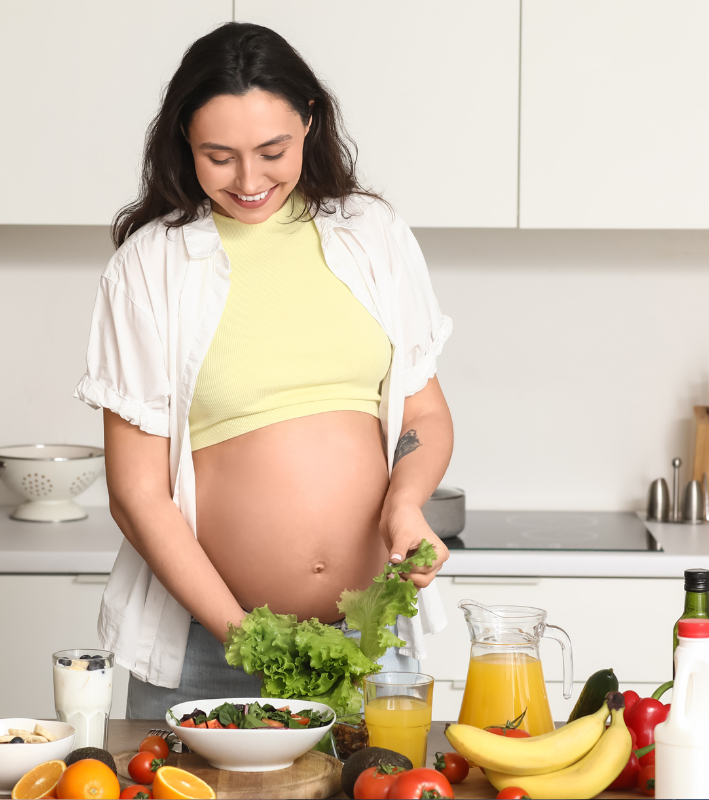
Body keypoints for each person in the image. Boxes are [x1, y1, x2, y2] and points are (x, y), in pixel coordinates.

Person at [73, 22, 454, 719]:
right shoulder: (148, 268)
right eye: (218, 157)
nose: (249, 181)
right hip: (208, 652)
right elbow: (137, 494)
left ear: (310, 122)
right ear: (183, 142)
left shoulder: (374, 236)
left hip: (372, 641)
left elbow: (423, 413)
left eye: (271, 151)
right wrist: (245, 637)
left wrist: (405, 503)